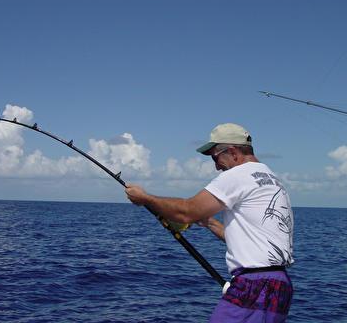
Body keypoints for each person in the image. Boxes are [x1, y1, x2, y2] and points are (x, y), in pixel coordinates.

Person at [125, 123, 294, 322]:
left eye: (215, 157)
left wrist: (145, 198)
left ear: (232, 152)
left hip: (254, 284)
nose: (216, 166)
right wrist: (211, 223)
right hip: (280, 286)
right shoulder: (272, 179)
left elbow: (187, 211)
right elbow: (255, 239)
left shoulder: (238, 175)